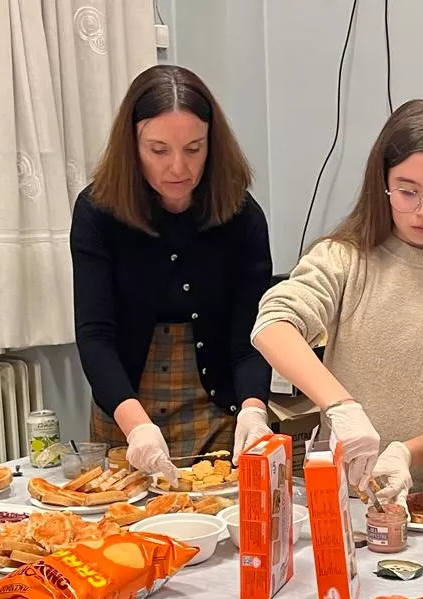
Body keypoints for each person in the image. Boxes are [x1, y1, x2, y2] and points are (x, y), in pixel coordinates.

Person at [251, 99, 423, 500]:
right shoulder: (343, 259)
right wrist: (341, 407)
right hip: (340, 497)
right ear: (383, 184)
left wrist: (404, 455)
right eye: (407, 192)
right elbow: (273, 324)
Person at [71, 65, 274, 486]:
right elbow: (95, 336)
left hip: (215, 411)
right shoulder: (97, 213)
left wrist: (254, 408)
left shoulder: (242, 216)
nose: (178, 168)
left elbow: (251, 337)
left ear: (213, 145)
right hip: (127, 410)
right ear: (132, 145)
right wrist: (137, 426)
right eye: (158, 150)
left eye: (194, 149)